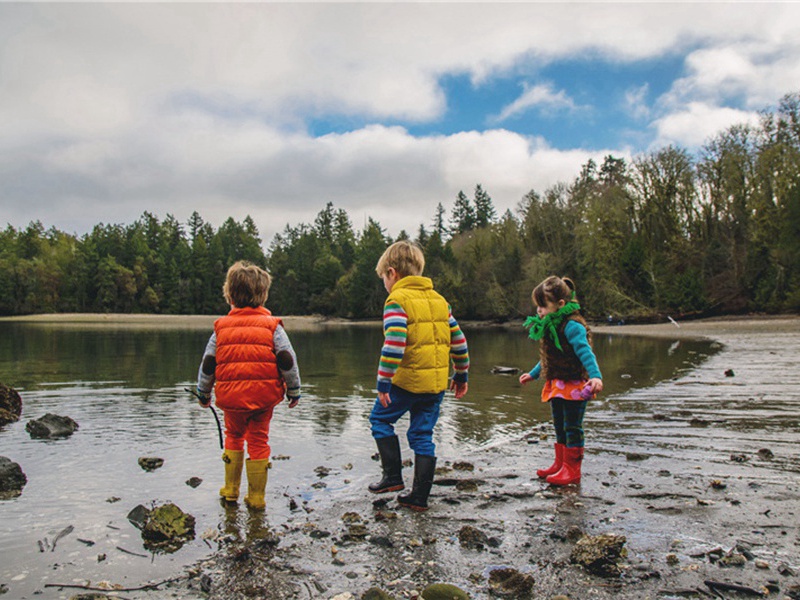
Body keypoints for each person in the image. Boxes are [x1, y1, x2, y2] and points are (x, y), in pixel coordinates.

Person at [369, 240, 469, 512]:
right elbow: (459, 341)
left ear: (392, 273)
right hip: (435, 385)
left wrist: (383, 381)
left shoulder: (396, 300)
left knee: (379, 419)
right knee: (423, 434)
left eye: (383, 279)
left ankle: (392, 478)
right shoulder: (440, 301)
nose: (384, 284)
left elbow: (395, 343)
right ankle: (419, 498)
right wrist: (461, 375)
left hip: (405, 383)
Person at [195, 260, 301, 510]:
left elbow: (208, 363)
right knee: (259, 440)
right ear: (263, 296)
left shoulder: (220, 327)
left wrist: (203, 392)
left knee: (233, 436)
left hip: (231, 399)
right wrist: (293, 390)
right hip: (263, 398)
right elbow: (287, 360)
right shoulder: (272, 326)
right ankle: (256, 497)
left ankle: (231, 490)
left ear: (229, 295)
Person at [519, 275, 602, 486]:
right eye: (537, 306)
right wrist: (533, 374)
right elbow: (549, 356)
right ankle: (560, 463)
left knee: (572, 426)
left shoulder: (573, 326)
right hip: (557, 383)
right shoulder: (550, 324)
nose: (539, 310)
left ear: (560, 304)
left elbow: (585, 352)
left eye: (543, 305)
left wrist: (595, 376)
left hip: (575, 384)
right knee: (559, 425)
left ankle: (572, 469)